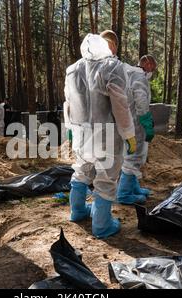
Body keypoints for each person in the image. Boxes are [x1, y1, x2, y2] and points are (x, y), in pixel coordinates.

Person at [64, 31, 136, 239]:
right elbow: (120, 104)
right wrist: (129, 133)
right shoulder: (113, 66)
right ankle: (102, 225)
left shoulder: (73, 69)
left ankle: (77, 212)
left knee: (82, 171)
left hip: (81, 133)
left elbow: (68, 102)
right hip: (106, 135)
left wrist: (70, 129)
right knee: (106, 177)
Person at [117, 55, 157, 205]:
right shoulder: (139, 76)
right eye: (152, 67)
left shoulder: (128, 74)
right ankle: (124, 194)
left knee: (132, 156)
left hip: (127, 122)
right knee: (133, 158)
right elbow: (140, 99)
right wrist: (146, 121)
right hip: (135, 123)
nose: (152, 71)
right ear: (146, 63)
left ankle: (133, 188)